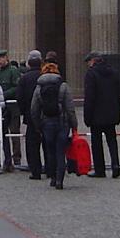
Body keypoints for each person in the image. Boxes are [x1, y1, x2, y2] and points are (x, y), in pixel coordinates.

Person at [31, 61, 78, 189]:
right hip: (62, 123)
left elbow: (34, 109)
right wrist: (74, 125)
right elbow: (70, 108)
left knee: (50, 152)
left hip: (47, 123)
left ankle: (52, 177)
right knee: (60, 151)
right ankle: (59, 180)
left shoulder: (39, 87)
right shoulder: (64, 86)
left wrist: (37, 125)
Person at [83, 51, 120, 178]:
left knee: (97, 143)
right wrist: (118, 113)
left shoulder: (91, 74)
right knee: (112, 141)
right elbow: (119, 95)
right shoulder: (114, 73)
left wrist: (87, 117)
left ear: (93, 61)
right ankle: (115, 166)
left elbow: (90, 97)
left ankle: (100, 169)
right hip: (111, 113)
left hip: (96, 115)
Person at [0, 50, 22, 168]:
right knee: (2, 133)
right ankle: (6, 157)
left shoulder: (13, 71)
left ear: (5, 58)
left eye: (0, 59)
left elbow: (17, 87)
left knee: (14, 132)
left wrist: (3, 94)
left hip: (13, 107)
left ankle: (16, 157)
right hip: (2, 107)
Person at [16, 52, 45, 179]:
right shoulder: (46, 76)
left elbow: (19, 97)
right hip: (47, 115)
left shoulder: (24, 78)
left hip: (31, 115)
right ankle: (50, 169)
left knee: (32, 145)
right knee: (48, 143)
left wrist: (24, 112)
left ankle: (35, 171)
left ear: (28, 64)